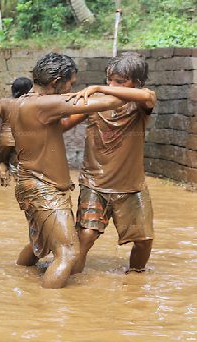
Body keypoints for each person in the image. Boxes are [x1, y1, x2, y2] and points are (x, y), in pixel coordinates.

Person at [9, 53, 126, 289]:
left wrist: (79, 108)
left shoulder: (22, 102)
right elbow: (115, 102)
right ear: (56, 83)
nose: (71, 90)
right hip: (44, 189)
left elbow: (55, 128)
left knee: (37, 245)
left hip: (30, 185)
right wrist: (97, 89)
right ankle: (50, 315)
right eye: (70, 85)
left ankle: (18, 282)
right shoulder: (46, 103)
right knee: (69, 252)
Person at [64, 52, 157, 274]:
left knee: (144, 240)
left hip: (131, 186)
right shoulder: (95, 104)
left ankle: (135, 279)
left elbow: (148, 96)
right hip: (95, 182)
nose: (112, 84)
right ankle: (71, 281)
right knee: (85, 236)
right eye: (110, 80)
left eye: (120, 82)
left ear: (137, 83)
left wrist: (100, 88)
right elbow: (64, 123)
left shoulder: (141, 104)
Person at [0, 77, 33, 186]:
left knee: (1, 161)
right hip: (23, 139)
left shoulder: (3, 102)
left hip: (5, 139)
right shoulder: (30, 103)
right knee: (18, 165)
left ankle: (5, 183)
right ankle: (16, 186)